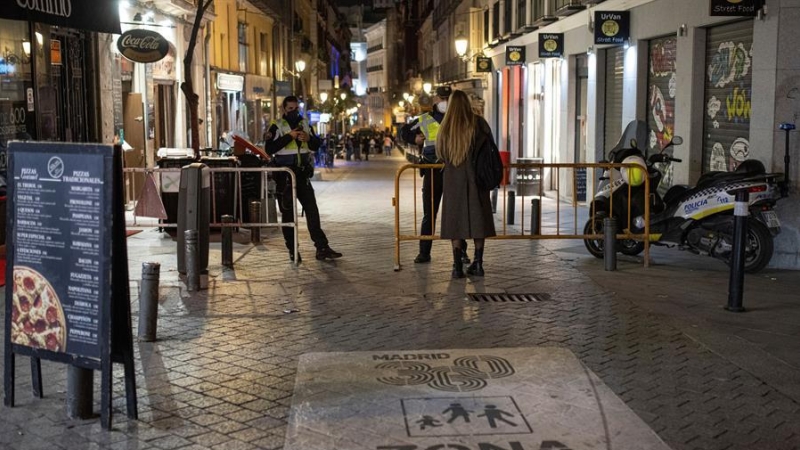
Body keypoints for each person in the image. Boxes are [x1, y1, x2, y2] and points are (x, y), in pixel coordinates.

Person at [264, 95, 342, 263]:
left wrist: (309, 139)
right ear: (284, 109)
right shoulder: (276, 125)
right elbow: (269, 149)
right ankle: (292, 250)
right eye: (290, 109)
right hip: (284, 176)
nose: (294, 112)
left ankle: (322, 247)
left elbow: (315, 145)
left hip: (302, 174)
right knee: (288, 215)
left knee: (312, 210)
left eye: (296, 108)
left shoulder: (305, 124)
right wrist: (289, 137)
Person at [400, 86, 467, 264]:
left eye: (447, 97)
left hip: (454, 171)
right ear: (436, 99)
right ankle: (424, 251)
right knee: (430, 213)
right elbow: (404, 131)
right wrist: (414, 139)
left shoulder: (459, 119)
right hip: (432, 171)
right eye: (442, 97)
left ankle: (462, 252)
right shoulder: (426, 118)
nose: (444, 101)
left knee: (456, 212)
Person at [435, 89, 496, 278]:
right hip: (477, 178)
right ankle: (478, 264)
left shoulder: (445, 127)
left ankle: (456, 266)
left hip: (454, 180)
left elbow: (441, 154)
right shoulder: (478, 123)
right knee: (479, 220)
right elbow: (490, 147)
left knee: (455, 222)